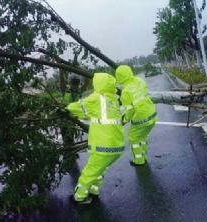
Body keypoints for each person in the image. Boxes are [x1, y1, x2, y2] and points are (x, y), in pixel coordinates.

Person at [66, 72, 125, 204]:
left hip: (103, 146)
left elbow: (79, 106)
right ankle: (93, 190)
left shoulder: (97, 97)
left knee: (90, 171)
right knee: (100, 169)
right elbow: (95, 114)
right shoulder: (112, 99)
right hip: (116, 146)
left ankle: (79, 197)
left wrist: (65, 108)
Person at [115, 65, 157, 166]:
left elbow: (129, 111)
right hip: (152, 113)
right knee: (142, 137)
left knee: (133, 137)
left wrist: (124, 120)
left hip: (141, 118)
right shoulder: (139, 80)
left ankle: (139, 161)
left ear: (119, 77)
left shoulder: (125, 92)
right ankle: (143, 156)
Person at [59, 69, 83, 146]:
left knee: (70, 137)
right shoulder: (65, 90)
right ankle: (69, 152)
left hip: (73, 120)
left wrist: (82, 71)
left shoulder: (79, 92)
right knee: (66, 138)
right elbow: (61, 80)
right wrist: (61, 69)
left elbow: (87, 83)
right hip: (64, 119)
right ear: (70, 83)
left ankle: (70, 152)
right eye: (73, 83)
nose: (75, 85)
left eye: (77, 83)